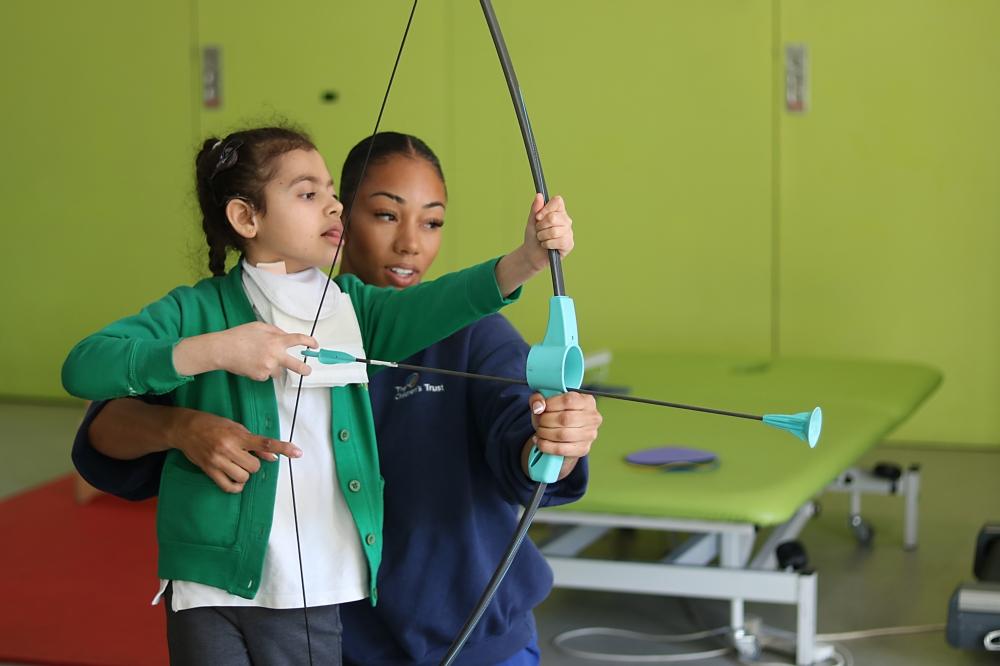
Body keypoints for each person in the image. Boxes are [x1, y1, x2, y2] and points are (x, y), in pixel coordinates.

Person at [61, 126, 577, 666]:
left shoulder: (366, 312)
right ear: (246, 218)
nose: (333, 207)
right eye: (311, 195)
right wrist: (209, 360)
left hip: (341, 599)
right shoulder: (201, 313)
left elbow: (450, 304)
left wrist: (527, 259)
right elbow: (87, 373)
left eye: (331, 193)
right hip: (216, 586)